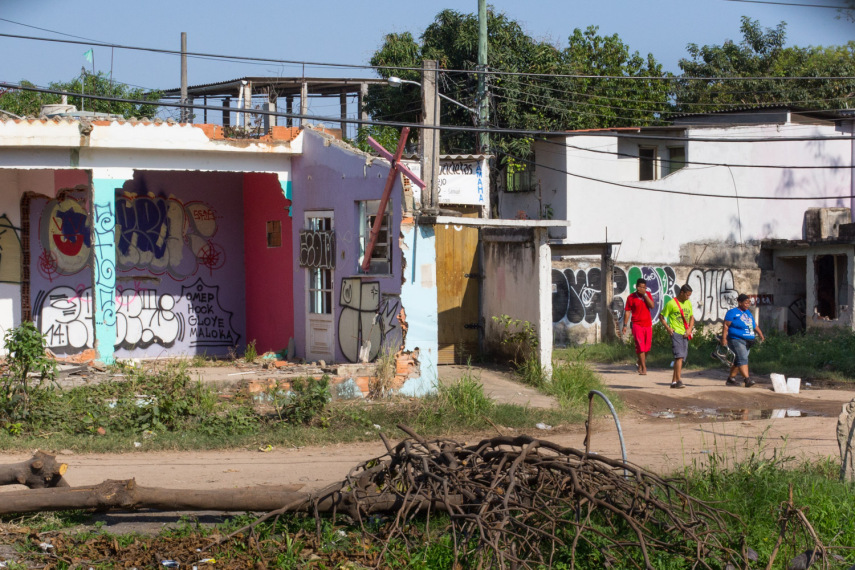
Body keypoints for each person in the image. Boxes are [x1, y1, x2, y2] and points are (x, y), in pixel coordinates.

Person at [722, 293, 765, 388]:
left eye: (748, 303)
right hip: (736, 339)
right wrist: (724, 338)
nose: (747, 304)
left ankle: (731, 379)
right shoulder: (732, 312)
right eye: (745, 303)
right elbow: (726, 325)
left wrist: (760, 333)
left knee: (738, 360)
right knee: (743, 358)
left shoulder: (748, 313)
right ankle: (747, 379)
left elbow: (754, 325)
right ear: (740, 302)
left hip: (748, 341)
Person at [659, 284, 694, 389]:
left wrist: (689, 329)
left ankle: (674, 382)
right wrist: (668, 328)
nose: (688, 297)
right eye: (687, 295)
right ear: (681, 293)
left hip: (685, 334)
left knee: (681, 358)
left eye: (689, 296)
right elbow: (661, 316)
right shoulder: (671, 303)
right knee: (679, 356)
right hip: (676, 333)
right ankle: (679, 380)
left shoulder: (688, 303)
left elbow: (692, 317)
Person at [621, 278, 655, 375]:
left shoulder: (647, 295)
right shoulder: (631, 297)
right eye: (640, 286)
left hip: (647, 324)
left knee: (647, 348)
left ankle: (639, 362)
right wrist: (625, 325)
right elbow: (627, 311)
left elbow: (652, 306)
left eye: (644, 287)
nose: (641, 288)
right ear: (636, 287)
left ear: (646, 288)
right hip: (637, 325)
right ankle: (644, 368)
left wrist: (645, 294)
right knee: (640, 346)